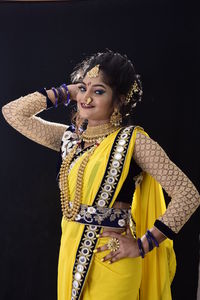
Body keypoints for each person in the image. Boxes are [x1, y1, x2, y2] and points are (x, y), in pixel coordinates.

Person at [2, 50, 200, 300]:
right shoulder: (70, 140)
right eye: (84, 88)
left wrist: (142, 245)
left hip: (112, 261)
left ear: (118, 101)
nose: (86, 98)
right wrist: (65, 92)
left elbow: (188, 194)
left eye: (99, 91)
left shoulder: (133, 141)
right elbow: (12, 113)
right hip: (70, 255)